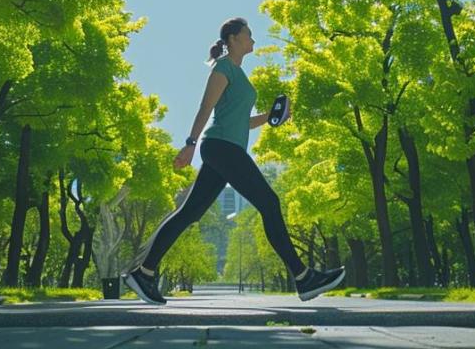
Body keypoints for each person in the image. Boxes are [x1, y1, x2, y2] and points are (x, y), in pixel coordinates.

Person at [122, 17, 345, 305]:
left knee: (189, 213)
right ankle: (304, 277)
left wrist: (269, 117)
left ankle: (144, 274)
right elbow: (206, 107)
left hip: (226, 147)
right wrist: (189, 144)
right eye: (248, 34)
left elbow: (241, 120)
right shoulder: (224, 68)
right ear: (233, 39)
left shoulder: (239, 75)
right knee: (269, 202)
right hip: (221, 147)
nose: (253, 39)